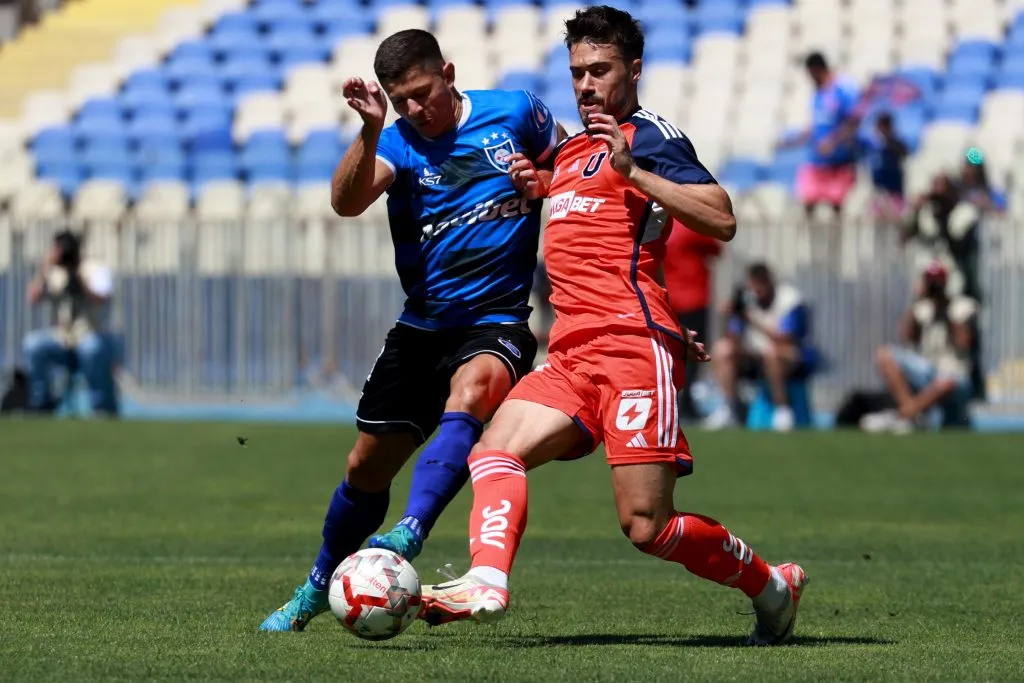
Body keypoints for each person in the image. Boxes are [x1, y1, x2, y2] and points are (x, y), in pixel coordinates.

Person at [417, 6, 808, 646]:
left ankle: (772, 586)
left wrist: (633, 171)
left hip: (632, 351)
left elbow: (721, 217)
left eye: (600, 70)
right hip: (572, 353)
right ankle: (486, 581)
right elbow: (595, 231)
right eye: (577, 72)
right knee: (493, 450)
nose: (586, 84)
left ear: (634, 69)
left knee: (646, 525)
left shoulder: (650, 138)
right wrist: (540, 184)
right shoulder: (573, 150)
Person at [259, 28, 566, 632]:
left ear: (447, 73)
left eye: (423, 93)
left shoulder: (517, 112)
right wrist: (372, 128)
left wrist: (546, 181)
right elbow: (346, 202)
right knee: (364, 468)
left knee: (473, 393)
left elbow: (574, 166)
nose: (416, 109)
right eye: (402, 101)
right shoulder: (396, 142)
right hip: (422, 326)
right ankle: (318, 584)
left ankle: (412, 528)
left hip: (497, 318)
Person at [862, 262, 977, 433]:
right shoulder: (922, 308)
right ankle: (914, 416)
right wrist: (916, 301)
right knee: (885, 355)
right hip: (928, 370)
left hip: (955, 374)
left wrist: (946, 310)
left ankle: (903, 416)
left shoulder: (962, 306)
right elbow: (906, 337)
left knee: (945, 383)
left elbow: (963, 343)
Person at [703, 262, 818, 432]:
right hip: (754, 356)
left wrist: (751, 319)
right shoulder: (746, 301)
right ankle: (728, 408)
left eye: (761, 284)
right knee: (722, 350)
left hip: (788, 357)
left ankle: (782, 410)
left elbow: (785, 340)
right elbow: (732, 339)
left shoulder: (790, 301)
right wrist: (728, 317)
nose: (758, 290)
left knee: (772, 354)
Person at [22, 230, 119, 416]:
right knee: (33, 344)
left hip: (89, 335)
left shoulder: (93, 269)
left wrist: (78, 278)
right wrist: (46, 268)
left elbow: (102, 297)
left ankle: (102, 407)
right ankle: (41, 402)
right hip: (62, 338)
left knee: (92, 349)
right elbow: (32, 298)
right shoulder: (53, 272)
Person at [781, 52, 861, 218]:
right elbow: (816, 126)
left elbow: (854, 122)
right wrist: (796, 140)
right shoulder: (817, 94)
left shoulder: (843, 89)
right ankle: (809, 236)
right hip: (817, 161)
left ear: (817, 69)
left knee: (836, 206)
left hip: (840, 162)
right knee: (808, 201)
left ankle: (837, 235)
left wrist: (833, 142)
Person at [662, 222, 722, 421]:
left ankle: (673, 400)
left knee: (671, 352)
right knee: (695, 352)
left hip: (669, 298)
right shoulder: (690, 225)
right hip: (694, 298)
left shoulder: (660, 225)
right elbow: (716, 248)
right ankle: (685, 402)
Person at [862, 112, 908, 222]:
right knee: (875, 217)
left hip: (894, 187)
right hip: (877, 188)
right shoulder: (871, 144)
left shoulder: (897, 143)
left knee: (897, 217)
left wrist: (888, 143)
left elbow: (904, 154)